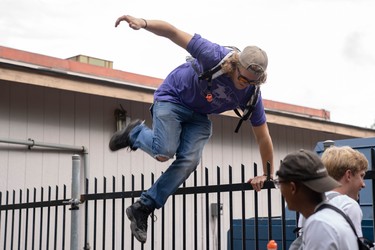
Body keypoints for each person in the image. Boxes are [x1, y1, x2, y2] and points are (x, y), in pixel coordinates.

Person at [109, 14, 274, 243]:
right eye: (243, 79)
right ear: (235, 65)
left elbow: (263, 136)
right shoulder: (213, 55)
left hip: (199, 115)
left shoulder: (253, 95)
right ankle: (135, 133)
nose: (244, 85)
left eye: (252, 82)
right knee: (164, 151)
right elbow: (173, 32)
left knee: (189, 161)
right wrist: (143, 23)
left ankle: (143, 207)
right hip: (173, 98)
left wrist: (267, 173)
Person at [274, 149, 358, 249]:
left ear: (292, 188)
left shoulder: (319, 225)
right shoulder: (333, 214)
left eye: (279, 184)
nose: (280, 191)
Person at [296, 145, 368, 239]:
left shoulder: (309, 204)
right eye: (361, 176)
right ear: (348, 175)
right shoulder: (349, 206)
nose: (363, 184)